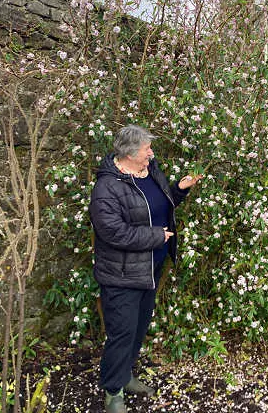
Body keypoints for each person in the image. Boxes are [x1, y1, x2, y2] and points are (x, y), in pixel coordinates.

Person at [89, 124, 202, 413]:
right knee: (122, 333)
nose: (151, 152)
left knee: (138, 329)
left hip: (149, 268)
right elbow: (113, 233)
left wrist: (179, 189)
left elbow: (161, 206)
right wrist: (156, 236)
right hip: (122, 275)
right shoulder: (106, 188)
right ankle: (113, 392)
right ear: (129, 153)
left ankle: (125, 376)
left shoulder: (150, 171)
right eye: (146, 149)